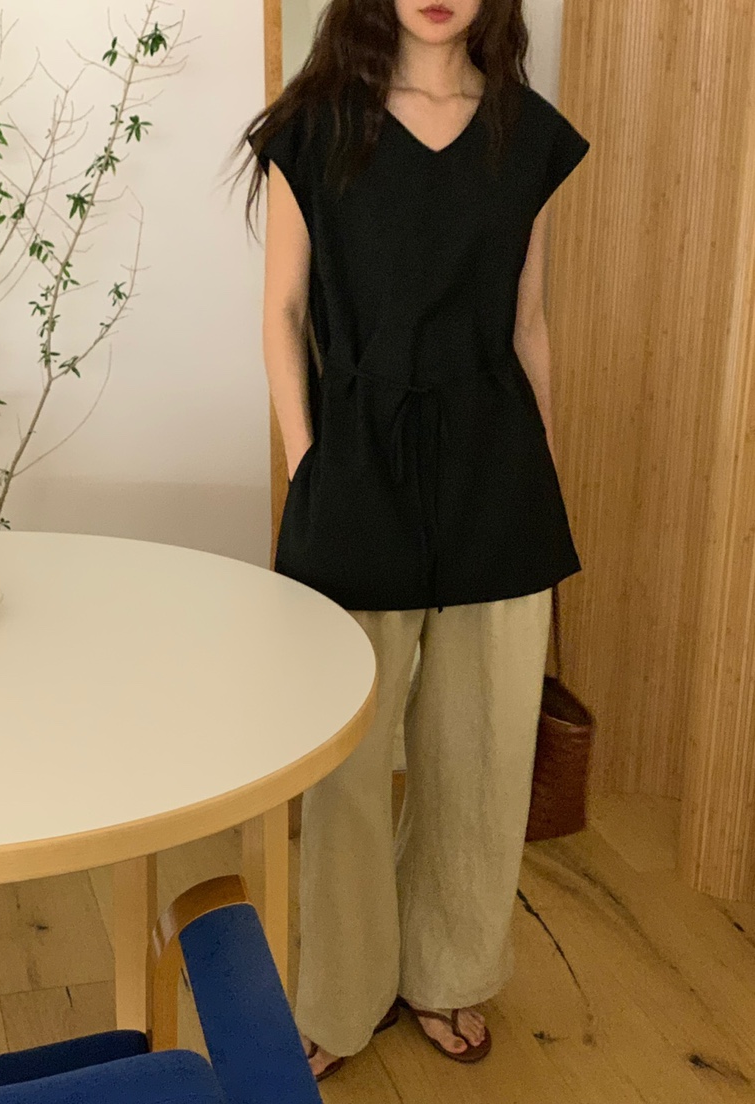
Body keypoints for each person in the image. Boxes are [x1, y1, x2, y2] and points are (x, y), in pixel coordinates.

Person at [235, 0, 590, 1084]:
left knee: (481, 749)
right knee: (344, 759)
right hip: (356, 465)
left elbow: (527, 319)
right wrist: (310, 461)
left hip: (495, 469)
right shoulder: (313, 127)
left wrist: (539, 479)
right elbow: (282, 312)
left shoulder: (526, 134)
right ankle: (341, 995)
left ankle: (448, 971)